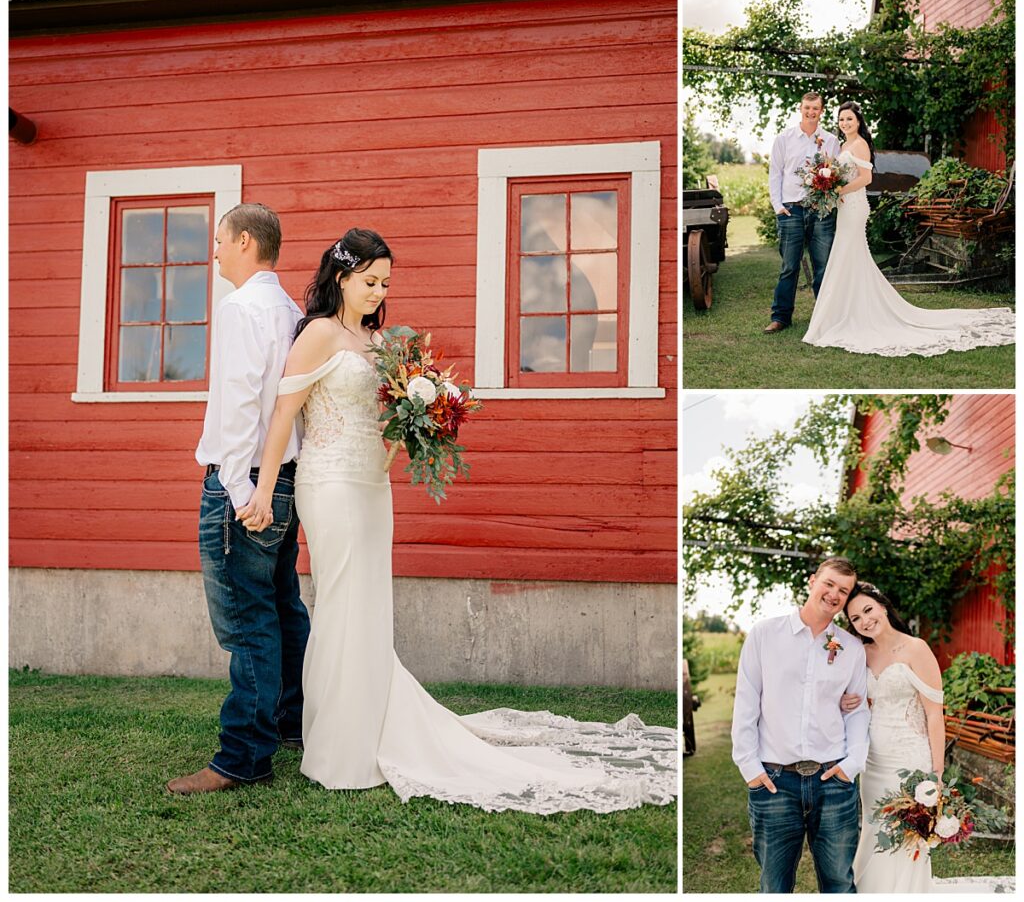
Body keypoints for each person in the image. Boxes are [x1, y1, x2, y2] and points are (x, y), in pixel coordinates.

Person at [237, 227, 677, 813]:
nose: (377, 293)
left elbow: (384, 414)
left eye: (385, 284)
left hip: (372, 486)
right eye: (369, 282)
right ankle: (339, 749)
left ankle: (360, 731)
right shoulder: (317, 335)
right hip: (330, 484)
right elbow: (282, 416)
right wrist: (265, 494)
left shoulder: (377, 340)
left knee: (368, 606)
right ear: (341, 276)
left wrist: (423, 418)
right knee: (341, 602)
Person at [167, 203, 311, 795]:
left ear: (246, 241)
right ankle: (296, 723)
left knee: (247, 616)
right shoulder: (291, 310)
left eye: (221, 241)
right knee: (281, 605)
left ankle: (244, 756)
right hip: (286, 477)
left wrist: (236, 488)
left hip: (246, 481)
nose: (215, 252)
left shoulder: (240, 308)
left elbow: (239, 403)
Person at [803, 101, 1016, 355]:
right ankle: (847, 309)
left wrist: (839, 189)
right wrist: (829, 184)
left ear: (858, 121)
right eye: (841, 120)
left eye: (849, 119)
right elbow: (842, 173)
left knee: (849, 253)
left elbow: (866, 179)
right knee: (849, 256)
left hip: (854, 206)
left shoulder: (859, 144)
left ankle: (855, 313)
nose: (845, 123)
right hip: (844, 207)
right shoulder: (843, 145)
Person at [731, 557, 869, 893]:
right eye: (829, 584)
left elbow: (857, 710)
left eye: (843, 590)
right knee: (774, 885)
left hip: (833, 779)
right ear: (812, 582)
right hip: (775, 780)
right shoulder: (765, 634)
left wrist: (851, 765)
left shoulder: (850, 648)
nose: (834, 594)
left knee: (839, 881)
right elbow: (746, 703)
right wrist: (750, 768)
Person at [841, 583, 944, 893]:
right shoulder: (860, 653)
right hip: (874, 762)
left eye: (868, 610)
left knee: (907, 836)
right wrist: (845, 702)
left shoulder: (916, 648)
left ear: (883, 607)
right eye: (856, 618)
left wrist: (937, 773)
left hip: (910, 758)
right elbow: (859, 702)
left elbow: (934, 714)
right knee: (874, 832)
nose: (865, 620)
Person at [764, 92, 842, 334]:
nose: (811, 112)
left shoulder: (830, 141)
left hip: (821, 211)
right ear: (800, 108)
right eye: (807, 107)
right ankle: (781, 317)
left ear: (821, 111)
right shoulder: (784, 139)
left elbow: (837, 174)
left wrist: (828, 202)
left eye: (815, 108)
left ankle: (824, 317)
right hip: (791, 210)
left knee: (823, 266)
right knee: (789, 266)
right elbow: (775, 174)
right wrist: (778, 206)